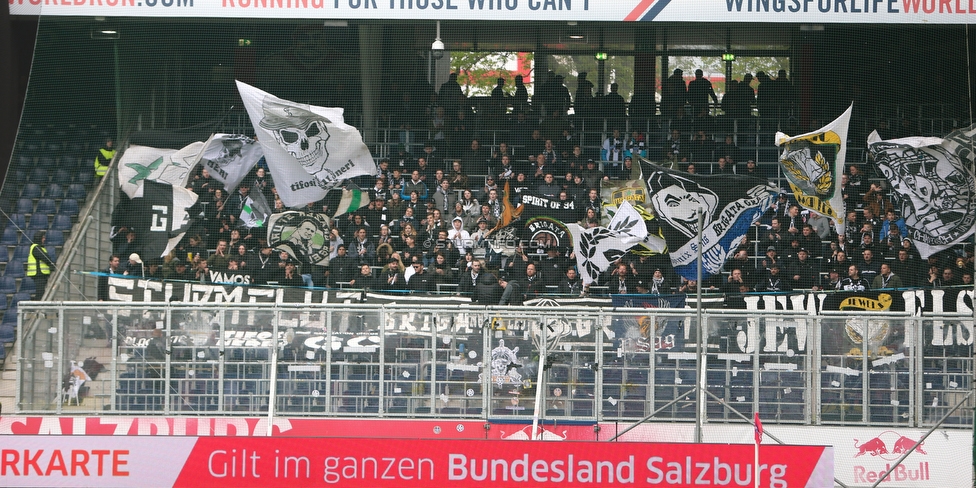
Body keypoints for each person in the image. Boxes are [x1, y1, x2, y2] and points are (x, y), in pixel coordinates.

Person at [26, 231, 55, 297]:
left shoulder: (38, 247)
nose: (44, 239)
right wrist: (51, 264)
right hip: (39, 274)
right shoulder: (36, 248)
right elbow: (45, 258)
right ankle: (39, 306)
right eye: (43, 238)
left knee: (41, 293)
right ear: (39, 238)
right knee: (40, 293)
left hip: (40, 274)